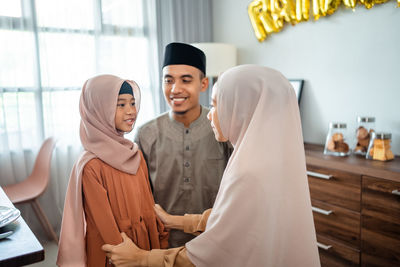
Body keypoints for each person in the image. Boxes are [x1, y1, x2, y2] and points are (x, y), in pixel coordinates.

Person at [102, 65, 321, 267]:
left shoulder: (247, 173)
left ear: (241, 109)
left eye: (216, 105)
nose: (210, 114)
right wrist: (176, 221)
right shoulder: (270, 162)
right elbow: (233, 219)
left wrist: (141, 258)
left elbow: (212, 254)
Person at [57, 75, 169, 267]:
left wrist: (158, 236)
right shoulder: (91, 166)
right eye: (120, 105)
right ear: (99, 111)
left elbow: (147, 201)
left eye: (133, 103)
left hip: (145, 242)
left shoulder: (135, 154)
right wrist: (124, 254)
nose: (131, 111)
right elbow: (104, 224)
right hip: (115, 252)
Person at [135, 42, 232, 247]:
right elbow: (139, 195)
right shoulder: (146, 134)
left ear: (203, 84)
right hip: (164, 241)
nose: (175, 89)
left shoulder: (223, 127)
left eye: (186, 80)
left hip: (215, 238)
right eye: (168, 80)